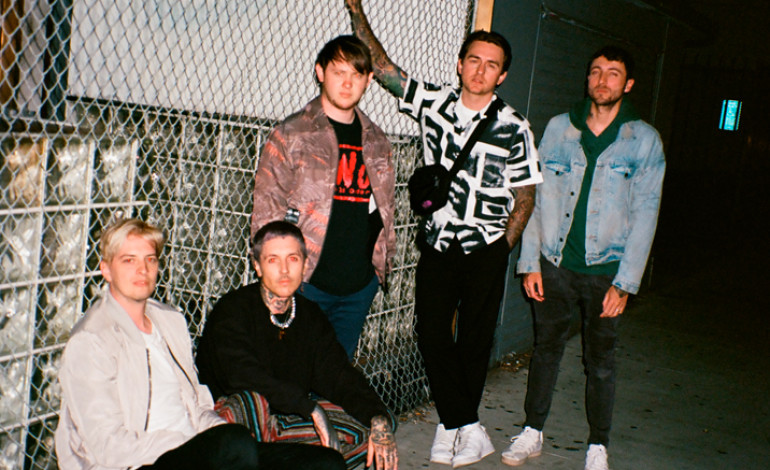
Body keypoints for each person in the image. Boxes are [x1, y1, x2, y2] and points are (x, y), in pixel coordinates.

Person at [345, 1, 543, 467]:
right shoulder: (434, 104)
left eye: (491, 65)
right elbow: (384, 69)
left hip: (486, 247)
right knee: (431, 332)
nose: (480, 70)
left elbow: (526, 194)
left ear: (502, 76)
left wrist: (502, 246)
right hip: (438, 242)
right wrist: (355, 8)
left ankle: (453, 428)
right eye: (473, 60)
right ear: (459, 64)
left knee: (474, 341)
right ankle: (464, 426)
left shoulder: (514, 127)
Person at [54, 218, 345, 470]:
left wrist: (218, 431)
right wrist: (189, 442)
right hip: (141, 461)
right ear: (106, 270)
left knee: (324, 463)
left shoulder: (169, 321)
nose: (142, 270)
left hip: (197, 449)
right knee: (233, 445)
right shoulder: (92, 341)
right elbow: (108, 447)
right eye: (129, 260)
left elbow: (196, 406)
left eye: (150, 259)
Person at [507, 46, 665, 470]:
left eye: (613, 73)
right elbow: (535, 196)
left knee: (601, 361)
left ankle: (598, 444)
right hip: (555, 263)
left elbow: (646, 213)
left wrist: (625, 283)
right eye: (596, 71)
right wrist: (530, 261)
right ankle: (532, 431)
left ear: (628, 84)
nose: (602, 80)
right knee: (546, 350)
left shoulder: (643, 140)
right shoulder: (560, 128)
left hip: (606, 270)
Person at [196, 221, 398, 470]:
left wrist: (377, 417)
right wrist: (311, 409)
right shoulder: (233, 309)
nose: (284, 270)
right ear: (257, 266)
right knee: (251, 402)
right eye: (273, 260)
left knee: (373, 429)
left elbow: (337, 374)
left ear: (304, 265)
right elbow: (241, 376)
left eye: (292, 259)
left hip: (286, 421)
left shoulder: (309, 315)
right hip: (235, 425)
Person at [250, 34, 395, 360]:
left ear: (368, 80)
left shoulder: (376, 140)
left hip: (358, 287)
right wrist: (275, 278)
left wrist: (375, 274)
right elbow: (266, 212)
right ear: (320, 72)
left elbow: (384, 209)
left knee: (335, 377)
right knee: (290, 371)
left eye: (356, 74)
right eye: (338, 72)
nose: (347, 83)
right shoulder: (292, 134)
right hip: (305, 283)